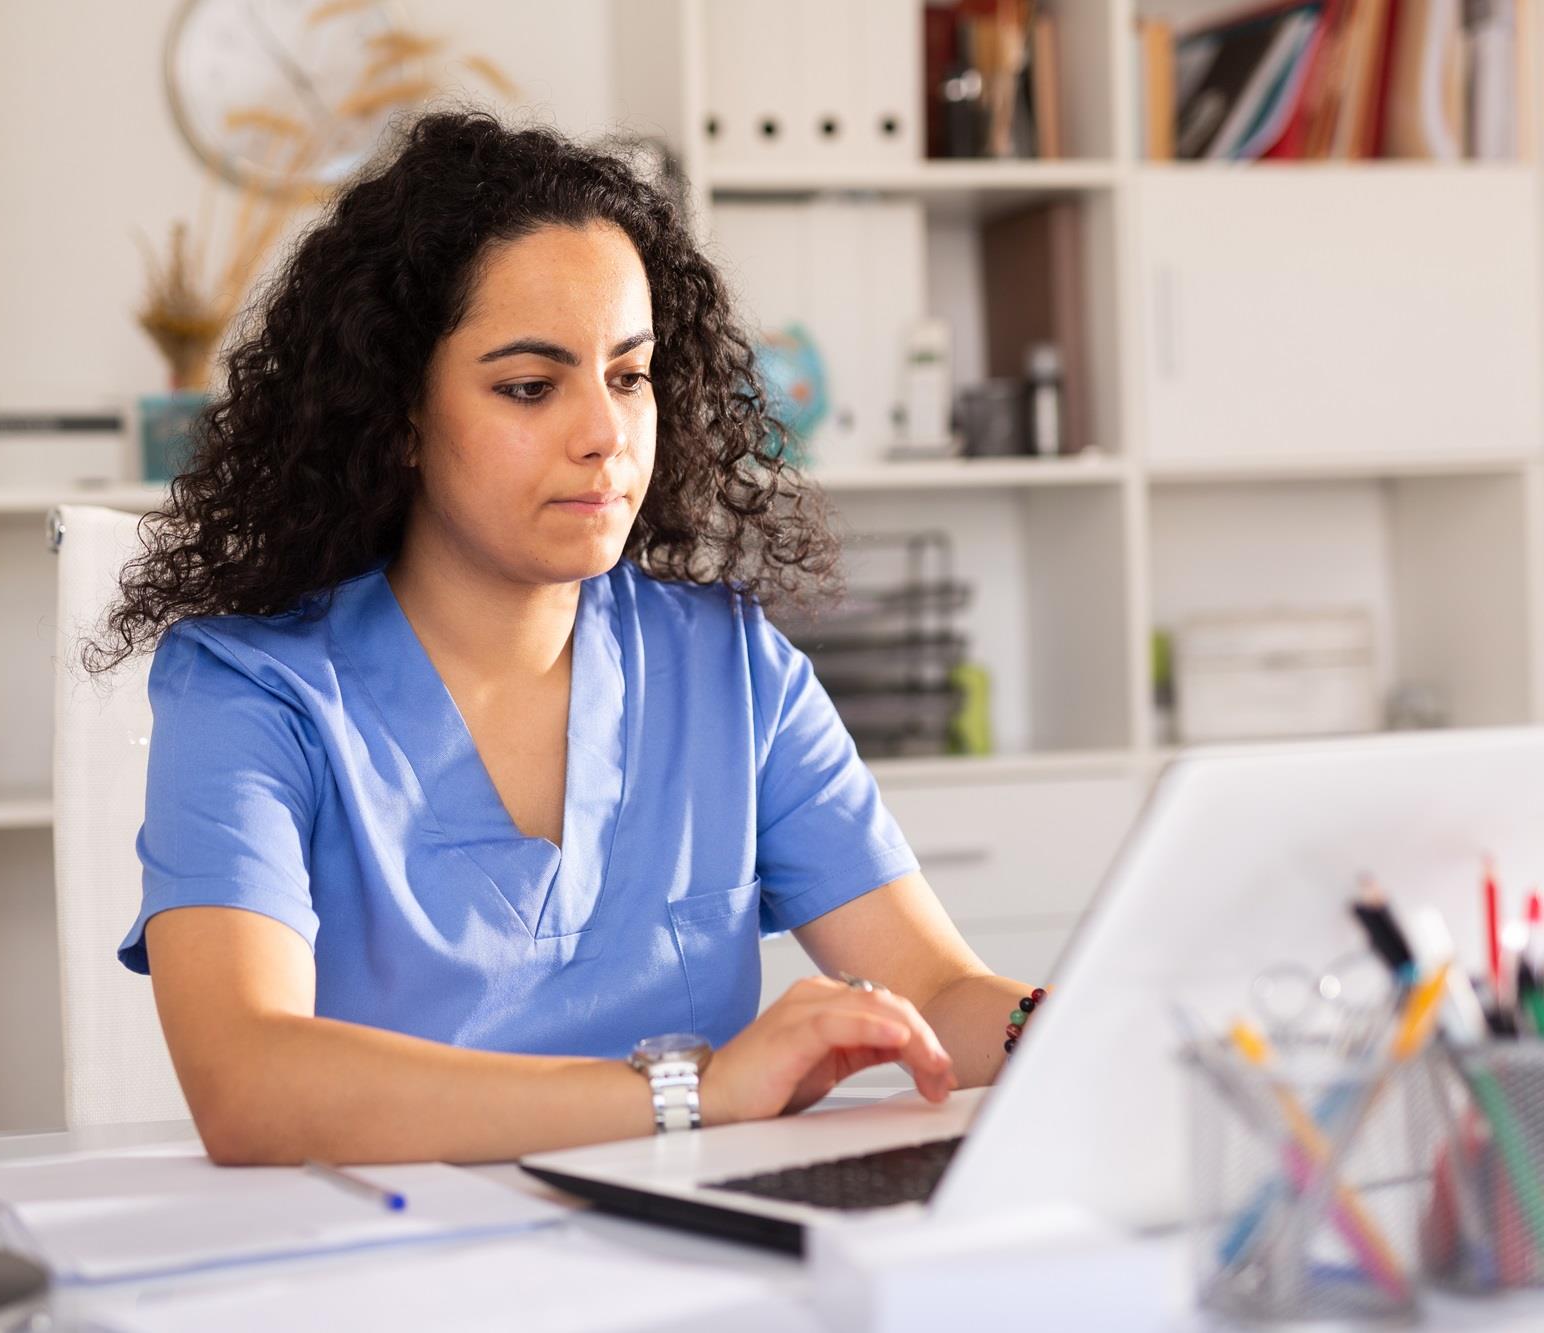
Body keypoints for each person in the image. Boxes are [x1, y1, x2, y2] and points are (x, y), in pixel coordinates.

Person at [92, 109, 1040, 1166]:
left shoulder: (729, 667)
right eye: (530, 387)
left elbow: (942, 991)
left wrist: (1071, 1016)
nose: (604, 434)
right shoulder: (250, 690)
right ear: (396, 414)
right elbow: (249, 1084)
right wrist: (694, 1091)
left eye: (627, 375)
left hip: (683, 1259)